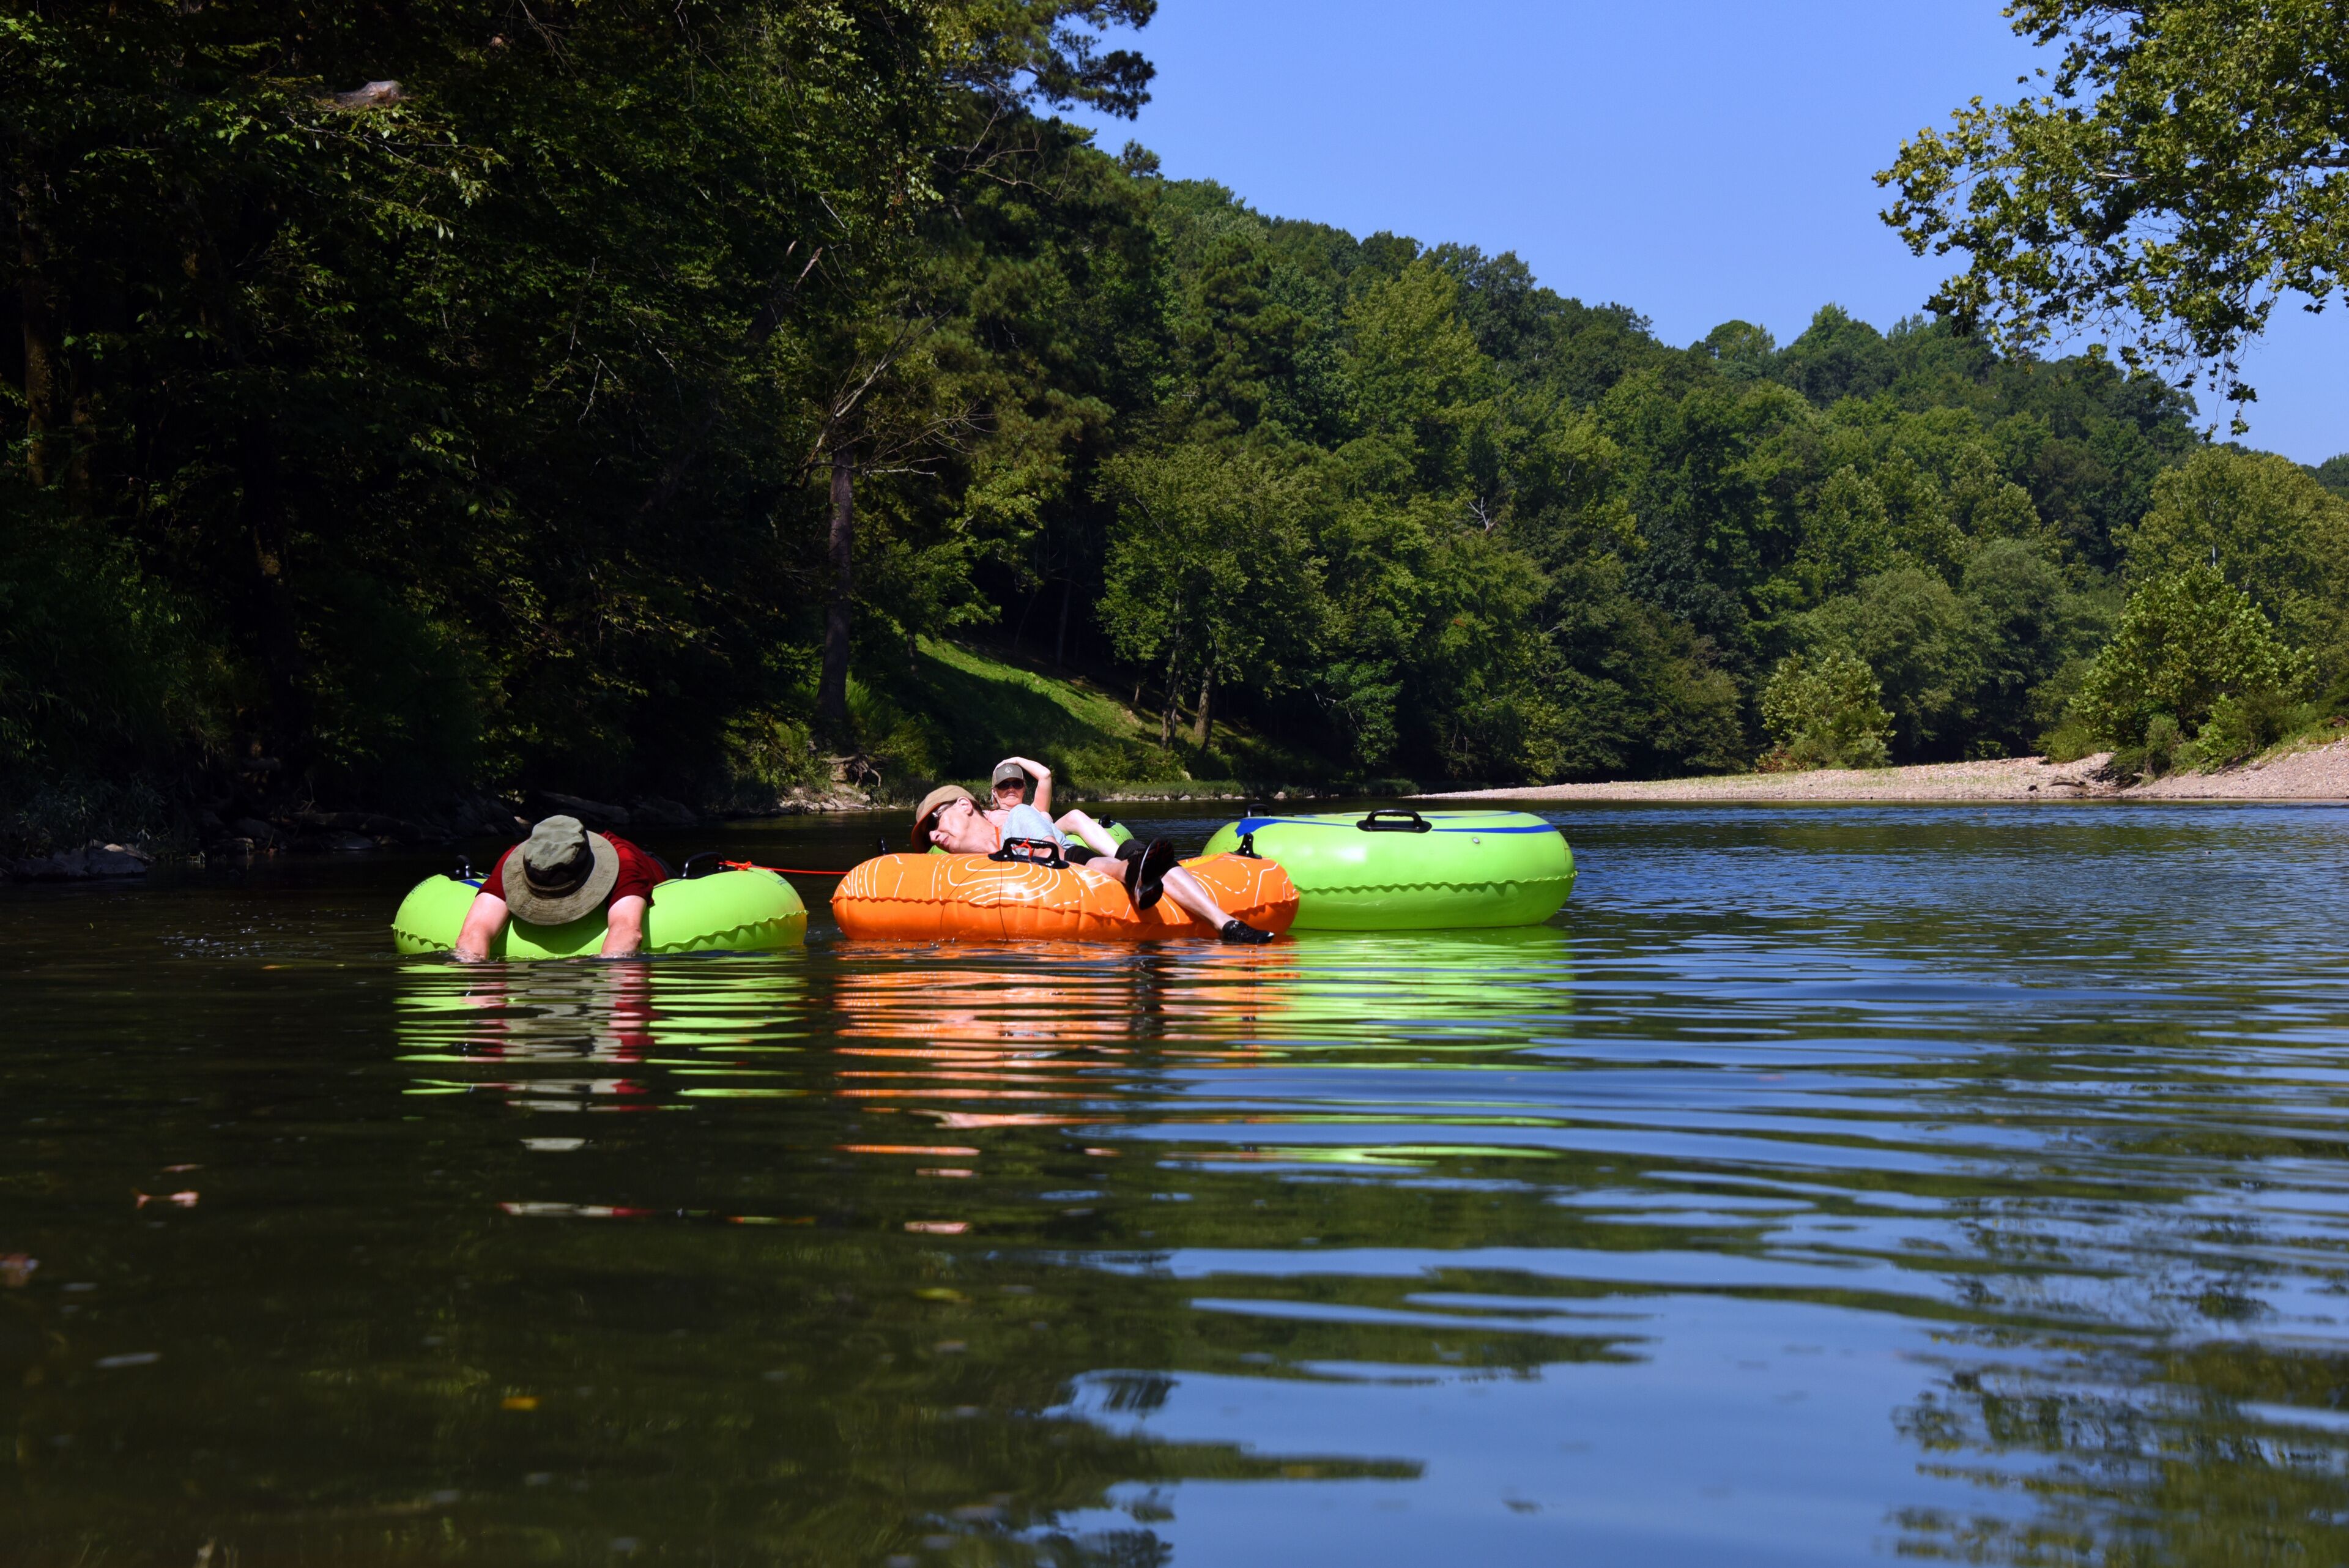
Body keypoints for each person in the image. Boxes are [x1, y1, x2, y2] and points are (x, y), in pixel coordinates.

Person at [913, 782, 1276, 943]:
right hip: (1061, 861)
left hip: (1065, 856)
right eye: (927, 832)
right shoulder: (950, 868)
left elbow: (1051, 834)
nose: (932, 835)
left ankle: (1225, 923)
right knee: (1076, 848)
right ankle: (1133, 868)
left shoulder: (1015, 817)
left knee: (1044, 829)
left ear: (964, 806)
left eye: (935, 821)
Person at [452, 814, 669, 961]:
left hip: (656, 867)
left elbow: (628, 931)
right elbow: (474, 932)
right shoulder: (520, 860)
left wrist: (595, 973)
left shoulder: (625, 863)